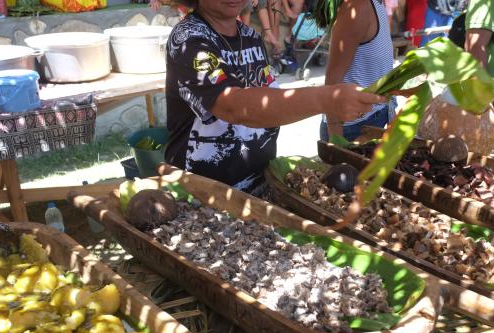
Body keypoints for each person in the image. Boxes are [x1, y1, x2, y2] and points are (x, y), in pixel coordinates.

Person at [165, 0, 384, 196]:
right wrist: (326, 99)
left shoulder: (250, 37)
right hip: (203, 195)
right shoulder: (189, 38)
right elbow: (233, 106)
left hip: (261, 187)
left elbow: (271, 98)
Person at [316, 0, 395, 142]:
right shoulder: (357, 6)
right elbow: (333, 80)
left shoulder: (377, 3)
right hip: (352, 128)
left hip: (377, 114)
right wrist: (336, 142)